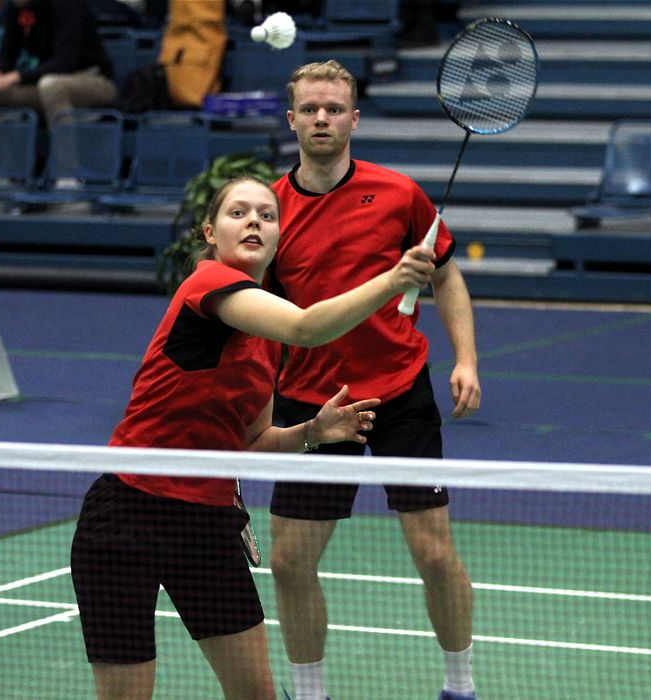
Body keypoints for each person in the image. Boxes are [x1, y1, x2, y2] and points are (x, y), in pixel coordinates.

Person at [70, 175, 435, 700]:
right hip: (129, 514)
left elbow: (251, 441)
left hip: (207, 524)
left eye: (266, 215)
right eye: (238, 213)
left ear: (279, 235)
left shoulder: (264, 338)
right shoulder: (208, 284)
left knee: (256, 694)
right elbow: (309, 326)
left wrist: (312, 432)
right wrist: (393, 279)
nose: (254, 222)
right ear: (210, 232)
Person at [268, 60, 481, 700]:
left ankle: (460, 686)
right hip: (312, 402)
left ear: (354, 118)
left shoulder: (398, 194)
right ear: (292, 121)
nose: (322, 119)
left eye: (334, 108)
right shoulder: (270, 211)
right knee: (289, 562)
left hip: (398, 391)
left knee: (434, 553)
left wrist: (465, 358)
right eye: (310, 109)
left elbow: (445, 273)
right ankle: (310, 694)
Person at [0, 0, 117, 129]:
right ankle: (1, 155)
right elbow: (8, 53)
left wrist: (16, 77)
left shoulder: (68, 5)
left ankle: (67, 156)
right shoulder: (15, 7)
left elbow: (64, 62)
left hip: (93, 79)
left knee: (52, 86)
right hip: (42, 81)